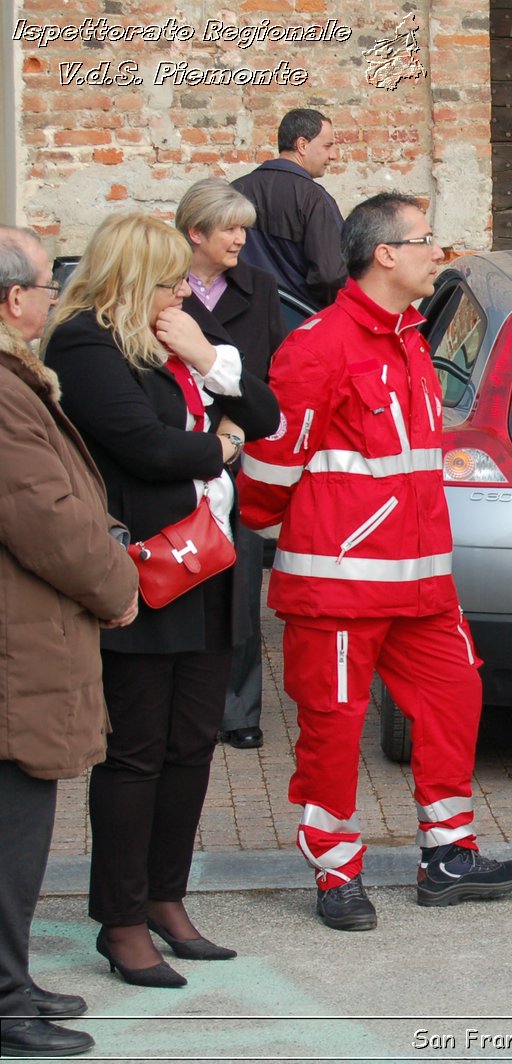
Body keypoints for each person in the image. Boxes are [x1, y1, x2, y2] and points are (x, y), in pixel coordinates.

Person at [237, 193, 512, 933]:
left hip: (423, 583)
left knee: (455, 701)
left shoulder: (409, 337)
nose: (439, 251)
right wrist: (293, 532)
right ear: (384, 254)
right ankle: (336, 870)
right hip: (339, 589)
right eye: (425, 239)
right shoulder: (319, 344)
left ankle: (448, 854)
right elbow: (272, 466)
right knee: (333, 733)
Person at [44, 213, 280, 989]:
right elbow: (144, 448)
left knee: (191, 746)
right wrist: (219, 444)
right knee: (137, 752)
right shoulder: (84, 342)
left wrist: (207, 356)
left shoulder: (178, 322)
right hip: (145, 574)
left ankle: (165, 898)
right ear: (128, 279)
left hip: (208, 566)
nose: (186, 290)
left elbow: (267, 414)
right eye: (170, 280)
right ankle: (120, 918)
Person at [0, 225, 140, 1058]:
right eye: (46, 285)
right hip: (19, 649)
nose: (55, 299)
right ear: (13, 299)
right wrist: (117, 585)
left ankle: (12, 983)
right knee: (13, 835)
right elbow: (43, 516)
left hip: (25, 640)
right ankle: (5, 1000)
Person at [176, 178, 289, 751]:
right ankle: (183, 702)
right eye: (230, 228)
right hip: (179, 447)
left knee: (242, 585)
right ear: (196, 232)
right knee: (177, 576)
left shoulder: (260, 287)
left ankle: (239, 709)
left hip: (238, 450)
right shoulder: (163, 288)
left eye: (245, 227)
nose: (242, 239)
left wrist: (241, 427)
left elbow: (269, 372)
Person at [232, 108, 345, 309]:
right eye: (327, 146)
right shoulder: (313, 198)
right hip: (299, 320)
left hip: (242, 316)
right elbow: (330, 275)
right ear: (302, 145)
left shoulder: (235, 190)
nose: (333, 155)